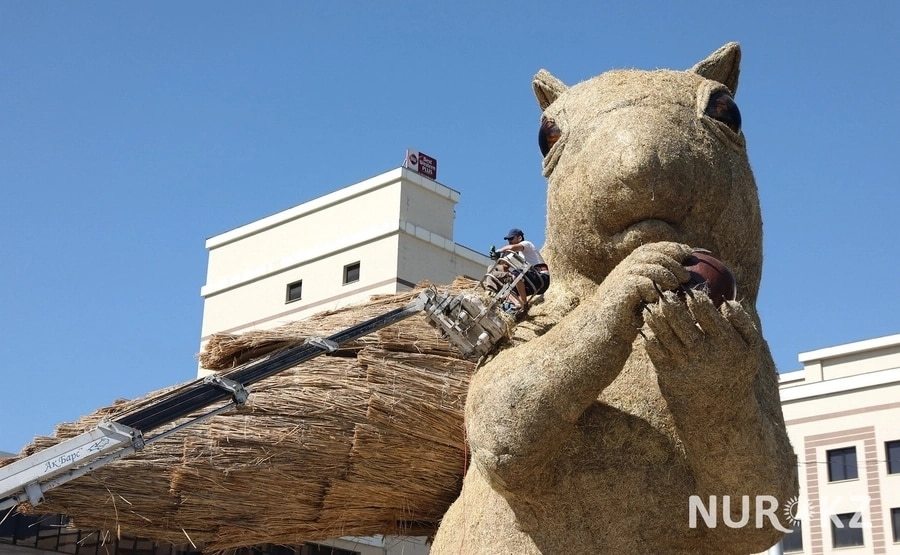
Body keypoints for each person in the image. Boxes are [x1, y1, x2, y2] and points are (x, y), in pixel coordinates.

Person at [495, 228, 550, 309]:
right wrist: (496, 257)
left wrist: (500, 250)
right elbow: (504, 266)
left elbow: (512, 247)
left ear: (519, 238)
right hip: (530, 281)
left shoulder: (526, 244)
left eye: (511, 238)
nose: (509, 241)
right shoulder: (515, 255)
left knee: (516, 274)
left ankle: (524, 304)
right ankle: (517, 305)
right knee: (505, 286)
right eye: (508, 239)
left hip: (541, 278)